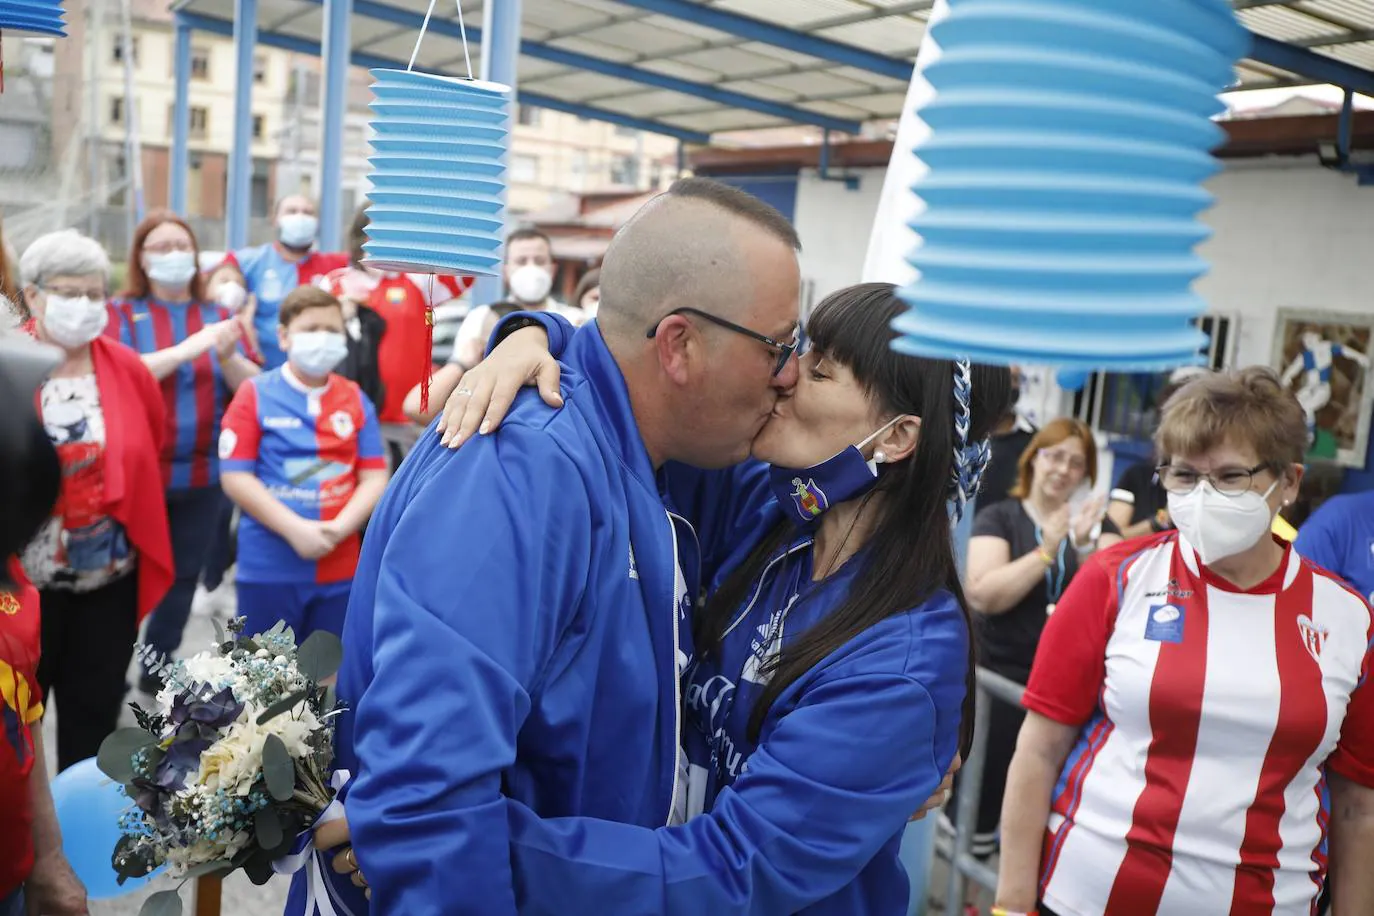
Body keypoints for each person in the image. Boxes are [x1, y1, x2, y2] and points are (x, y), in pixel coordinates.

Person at [287, 178, 805, 916]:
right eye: (781, 346)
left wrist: (538, 329)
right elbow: (426, 793)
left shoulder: (644, 451)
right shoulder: (526, 470)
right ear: (680, 346)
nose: (788, 376)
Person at [995, 367, 1374, 916]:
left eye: (1229, 476)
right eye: (1183, 475)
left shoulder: (1347, 618)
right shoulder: (1115, 578)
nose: (1202, 496)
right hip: (1087, 897)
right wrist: (1010, 905)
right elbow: (1038, 749)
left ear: (1288, 482)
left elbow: (1357, 805)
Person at [17, 229, 174, 770]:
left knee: (93, 721)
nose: (83, 306)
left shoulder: (128, 368)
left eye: (93, 293)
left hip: (108, 582)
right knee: (15, 724)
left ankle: (77, 840)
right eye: (68, 292)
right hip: (19, 590)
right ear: (32, 294)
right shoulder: (8, 364)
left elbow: (147, 446)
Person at [953, 418, 1121, 861]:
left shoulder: (1091, 525)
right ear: (1034, 459)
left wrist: (1083, 549)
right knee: (985, 806)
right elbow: (983, 594)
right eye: (1054, 455)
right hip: (1001, 689)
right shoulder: (1000, 517)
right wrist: (1045, 551)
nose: (1063, 469)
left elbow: (1113, 600)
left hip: (1065, 695)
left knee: (1042, 813)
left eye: (1076, 462)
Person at [106, 212, 258, 693]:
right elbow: (125, 374)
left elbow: (256, 388)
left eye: (182, 244)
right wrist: (193, 348)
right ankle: (108, 664)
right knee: (124, 579)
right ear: (141, 258)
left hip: (202, 474)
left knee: (181, 575)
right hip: (136, 476)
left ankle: (157, 671)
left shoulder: (219, 317)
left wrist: (228, 354)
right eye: (161, 245)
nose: (173, 253)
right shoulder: (121, 312)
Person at [219, 286, 388, 641]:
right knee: (261, 679)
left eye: (332, 330)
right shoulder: (254, 393)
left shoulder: (355, 398)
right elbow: (236, 477)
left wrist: (339, 529)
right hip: (268, 565)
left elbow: (374, 475)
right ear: (283, 337)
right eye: (311, 329)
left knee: (324, 678)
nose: (322, 339)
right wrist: (296, 530)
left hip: (340, 565)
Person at [323, 205, 471, 466]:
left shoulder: (417, 279)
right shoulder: (335, 282)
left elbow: (465, 272)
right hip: (346, 417)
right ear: (361, 232)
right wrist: (340, 311)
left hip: (406, 421)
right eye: (377, 226)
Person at [227, 195, 349, 369]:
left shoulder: (335, 266)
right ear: (275, 218)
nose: (300, 217)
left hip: (318, 372)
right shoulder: (246, 262)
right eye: (292, 211)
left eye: (308, 212)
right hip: (260, 370)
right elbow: (213, 282)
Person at [976, 366, 1034, 516]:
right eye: (1004, 377)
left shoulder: (1034, 440)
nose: (1009, 385)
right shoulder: (961, 432)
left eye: (1014, 379)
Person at [204, 259, 262, 364]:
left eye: (239, 283)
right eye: (224, 281)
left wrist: (247, 324)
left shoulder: (242, 323)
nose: (233, 286)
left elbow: (258, 361)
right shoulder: (200, 316)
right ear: (207, 288)